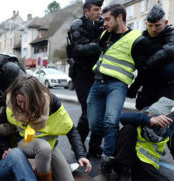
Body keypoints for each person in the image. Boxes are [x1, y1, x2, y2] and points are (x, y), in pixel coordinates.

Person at [86, 3, 149, 178]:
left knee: (111, 121)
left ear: (119, 17)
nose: (103, 22)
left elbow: (143, 69)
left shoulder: (137, 39)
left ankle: (106, 167)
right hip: (97, 83)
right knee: (94, 124)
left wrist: (134, 88)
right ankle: (120, 143)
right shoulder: (105, 34)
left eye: (107, 19)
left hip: (117, 85)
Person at [0, 75, 91, 181]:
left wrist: (81, 155)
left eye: (27, 103)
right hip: (24, 143)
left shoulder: (51, 103)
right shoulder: (11, 103)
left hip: (50, 147)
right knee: (43, 147)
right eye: (20, 102)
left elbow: (71, 129)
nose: (23, 107)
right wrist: (5, 148)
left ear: (36, 99)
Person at [67, 0, 104, 157]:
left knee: (100, 112)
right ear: (86, 11)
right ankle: (78, 145)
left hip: (99, 72)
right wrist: (101, 44)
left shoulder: (104, 23)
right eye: (96, 9)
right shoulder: (77, 25)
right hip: (81, 73)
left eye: (100, 9)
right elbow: (79, 50)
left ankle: (95, 147)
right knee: (88, 111)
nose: (99, 12)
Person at [113, 97, 174, 181]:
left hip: (145, 164)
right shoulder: (141, 120)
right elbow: (122, 117)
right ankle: (124, 169)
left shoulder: (167, 131)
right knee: (129, 128)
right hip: (124, 161)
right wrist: (149, 119)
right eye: (150, 114)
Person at [127, 5, 174, 110]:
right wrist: (135, 86)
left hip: (167, 85)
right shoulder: (142, 39)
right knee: (143, 117)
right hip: (149, 84)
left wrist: (148, 63)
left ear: (165, 23)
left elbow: (171, 49)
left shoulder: (170, 33)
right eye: (150, 25)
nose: (153, 29)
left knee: (160, 118)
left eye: (158, 25)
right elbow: (142, 69)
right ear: (146, 24)